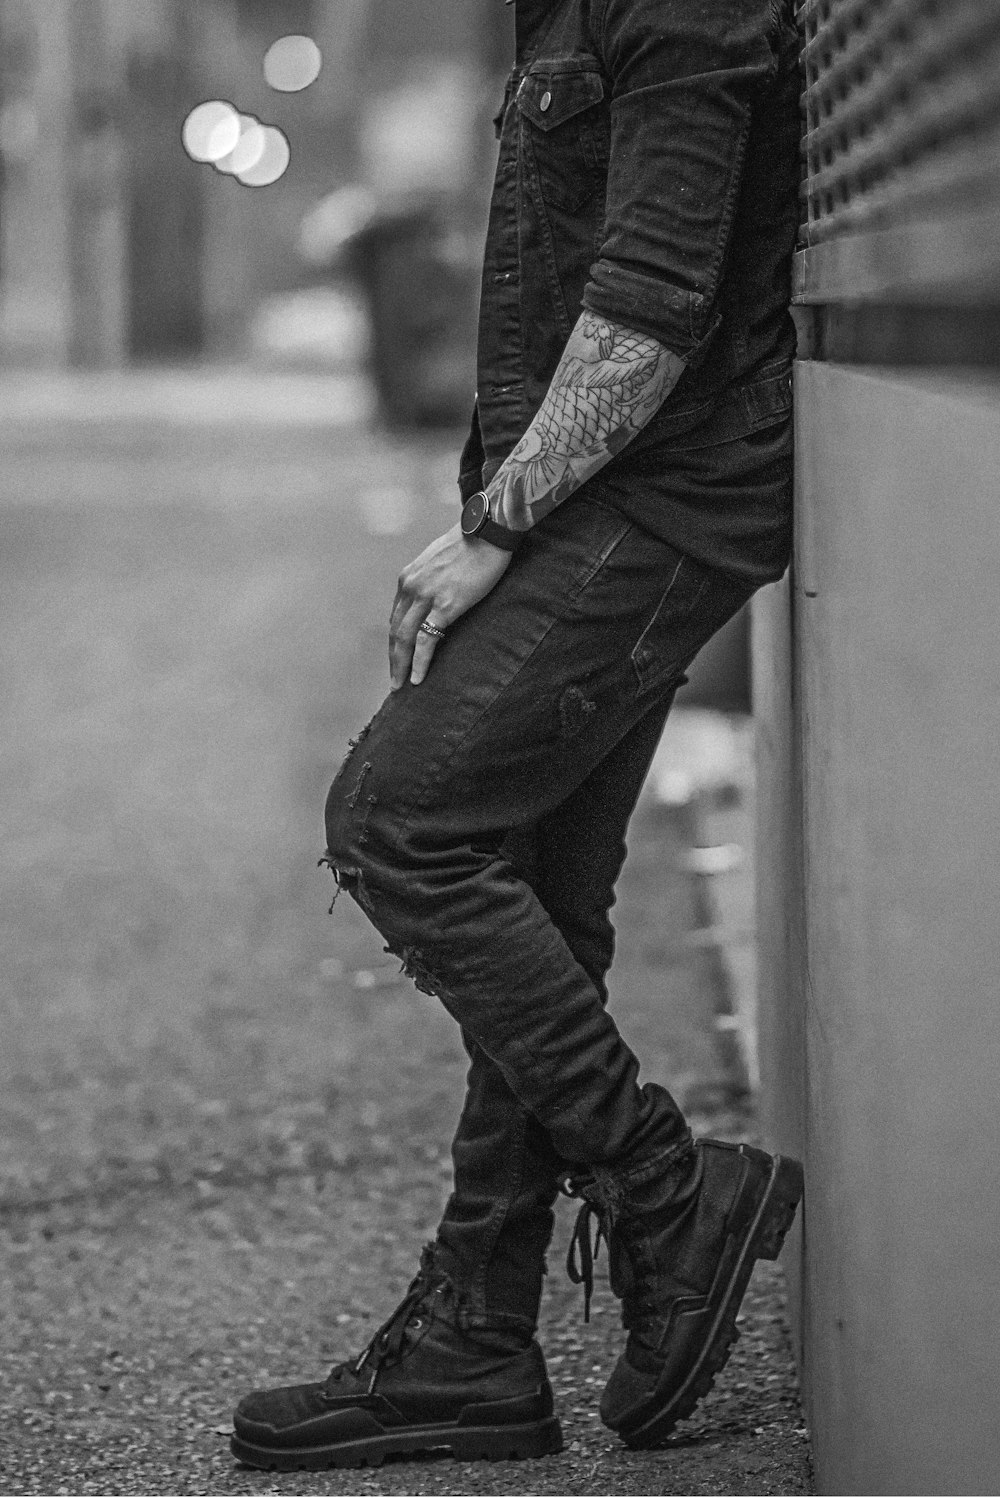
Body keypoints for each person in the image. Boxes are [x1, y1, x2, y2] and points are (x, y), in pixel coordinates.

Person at [231, 0, 804, 1472]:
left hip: (655, 503)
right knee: (536, 888)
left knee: (398, 817)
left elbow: (656, 299)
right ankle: (474, 1339)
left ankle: (669, 1194)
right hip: (606, 500)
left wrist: (496, 524)